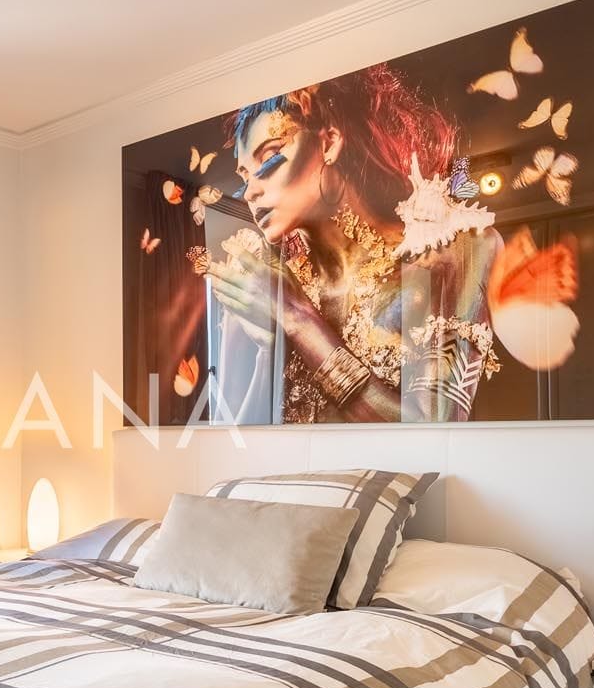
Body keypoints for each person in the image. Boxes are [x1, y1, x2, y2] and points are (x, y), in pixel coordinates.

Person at [201, 65, 502, 423]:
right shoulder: (261, 282)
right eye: (244, 177)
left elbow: (436, 431)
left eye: (269, 159)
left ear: (329, 142)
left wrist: (297, 319)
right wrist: (270, 351)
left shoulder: (451, 250)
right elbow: (233, 441)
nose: (251, 191)